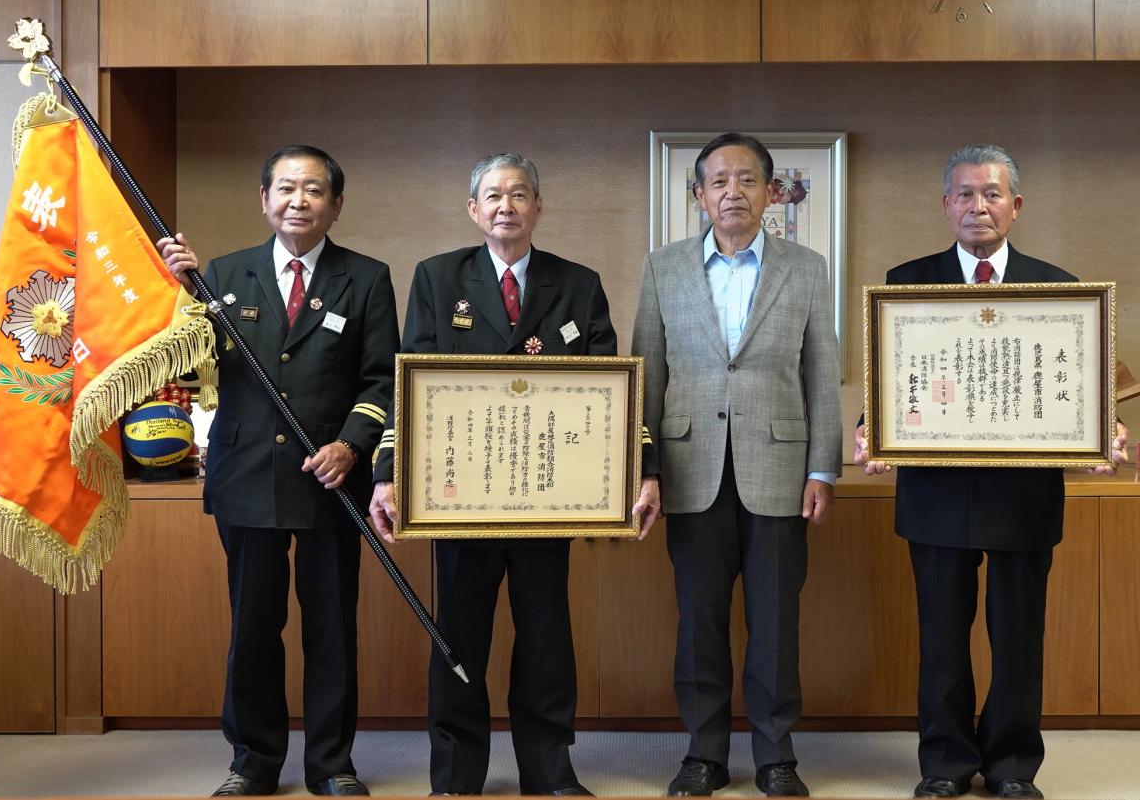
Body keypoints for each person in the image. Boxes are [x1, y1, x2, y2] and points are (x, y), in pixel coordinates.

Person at [367, 152, 660, 796]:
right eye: (493, 196)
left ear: (538, 207)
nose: (506, 206)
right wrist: (387, 473)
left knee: (547, 636)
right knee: (458, 638)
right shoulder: (438, 279)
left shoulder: (577, 284)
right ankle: (456, 776)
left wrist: (635, 469)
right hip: (457, 497)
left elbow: (611, 392)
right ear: (474, 210)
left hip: (549, 495)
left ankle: (549, 770)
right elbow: (407, 380)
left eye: (519, 194)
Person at [854, 143, 1128, 800]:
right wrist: (872, 429)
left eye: (992, 193)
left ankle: (1010, 765)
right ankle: (945, 762)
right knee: (942, 637)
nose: (979, 205)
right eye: (965, 194)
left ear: (1016, 205)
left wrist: (1101, 432)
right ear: (946, 204)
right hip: (937, 491)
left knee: (1018, 638)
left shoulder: (1059, 288)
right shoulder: (907, 282)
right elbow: (894, 384)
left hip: (1023, 493)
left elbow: (1078, 389)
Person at [158, 144, 399, 797]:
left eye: (314, 189)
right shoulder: (221, 274)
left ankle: (332, 763)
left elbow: (384, 379)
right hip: (247, 475)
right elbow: (188, 364)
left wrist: (352, 444)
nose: (299, 200)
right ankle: (253, 761)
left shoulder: (367, 277)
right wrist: (176, 288)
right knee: (254, 628)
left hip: (330, 481)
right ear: (264, 199)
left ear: (336, 204)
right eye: (286, 188)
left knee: (331, 627)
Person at [632, 133, 842, 798]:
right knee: (699, 620)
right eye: (718, 181)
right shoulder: (662, 267)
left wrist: (823, 468)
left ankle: (777, 754)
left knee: (776, 621)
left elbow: (821, 373)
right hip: (689, 466)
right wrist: (646, 469)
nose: (732, 192)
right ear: (698, 195)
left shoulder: (805, 268)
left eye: (747, 180)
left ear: (771, 192)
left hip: (779, 467)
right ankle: (705, 752)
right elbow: (647, 373)